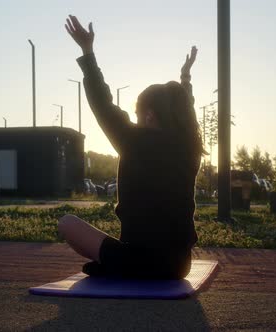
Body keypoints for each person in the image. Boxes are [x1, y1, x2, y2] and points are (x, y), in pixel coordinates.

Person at [58, 15, 204, 280]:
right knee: (111, 250)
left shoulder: (134, 141)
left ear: (148, 115)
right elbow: (187, 112)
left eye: (138, 114)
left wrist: (87, 52)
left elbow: (102, 104)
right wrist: (186, 77)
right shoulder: (190, 146)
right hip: (180, 265)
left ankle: (116, 265)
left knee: (67, 223)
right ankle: (115, 264)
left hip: (142, 260)